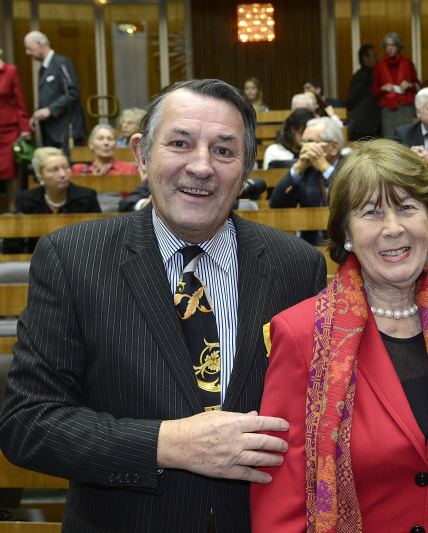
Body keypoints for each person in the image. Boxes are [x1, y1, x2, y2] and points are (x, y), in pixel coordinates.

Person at [0, 78, 328, 532]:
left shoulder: (298, 267)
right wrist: (165, 443)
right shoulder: (72, 258)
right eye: (180, 143)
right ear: (140, 154)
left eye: (224, 151)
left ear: (247, 169)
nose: (201, 166)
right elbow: (29, 423)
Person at [250, 138, 428, 532]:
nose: (393, 228)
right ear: (345, 233)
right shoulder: (300, 334)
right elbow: (280, 500)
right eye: (371, 213)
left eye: (407, 208)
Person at [1, 146, 100, 254]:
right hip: (37, 262)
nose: (63, 174)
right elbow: (13, 241)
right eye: (54, 170)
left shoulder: (86, 197)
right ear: (39, 177)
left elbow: (99, 237)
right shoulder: (27, 200)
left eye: (65, 167)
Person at [269, 116, 343, 245]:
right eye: (303, 143)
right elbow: (276, 205)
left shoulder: (351, 166)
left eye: (312, 142)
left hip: (346, 245)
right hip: (312, 247)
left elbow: (352, 196)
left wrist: (325, 169)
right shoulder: (305, 171)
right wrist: (298, 168)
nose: (305, 148)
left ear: (334, 147)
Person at [23, 31, 86, 152]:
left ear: (39, 44)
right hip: (51, 133)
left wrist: (49, 110)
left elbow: (72, 93)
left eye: (29, 48)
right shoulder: (43, 69)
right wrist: (38, 113)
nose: (27, 52)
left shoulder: (61, 63)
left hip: (67, 132)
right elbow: (50, 97)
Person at [372, 32, 421, 138]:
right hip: (388, 109)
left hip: (407, 108)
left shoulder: (408, 64)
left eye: (392, 45)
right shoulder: (379, 67)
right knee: (390, 139)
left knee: (408, 137)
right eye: (387, 45)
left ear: (398, 46)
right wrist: (383, 88)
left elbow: (418, 86)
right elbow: (374, 91)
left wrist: (409, 85)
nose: (389, 48)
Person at [0, 49, 31, 213]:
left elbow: (19, 100)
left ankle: (13, 207)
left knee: (11, 170)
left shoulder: (10, 71)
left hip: (8, 128)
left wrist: (24, 127)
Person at [71, 124, 139, 176]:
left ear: (115, 145)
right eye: (100, 138)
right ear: (90, 144)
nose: (106, 143)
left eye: (110, 139)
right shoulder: (79, 170)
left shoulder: (129, 168)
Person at [345, 44, 381, 140]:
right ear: (365, 58)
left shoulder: (369, 75)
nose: (377, 59)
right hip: (361, 127)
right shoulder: (362, 76)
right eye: (374, 56)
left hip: (368, 127)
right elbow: (351, 99)